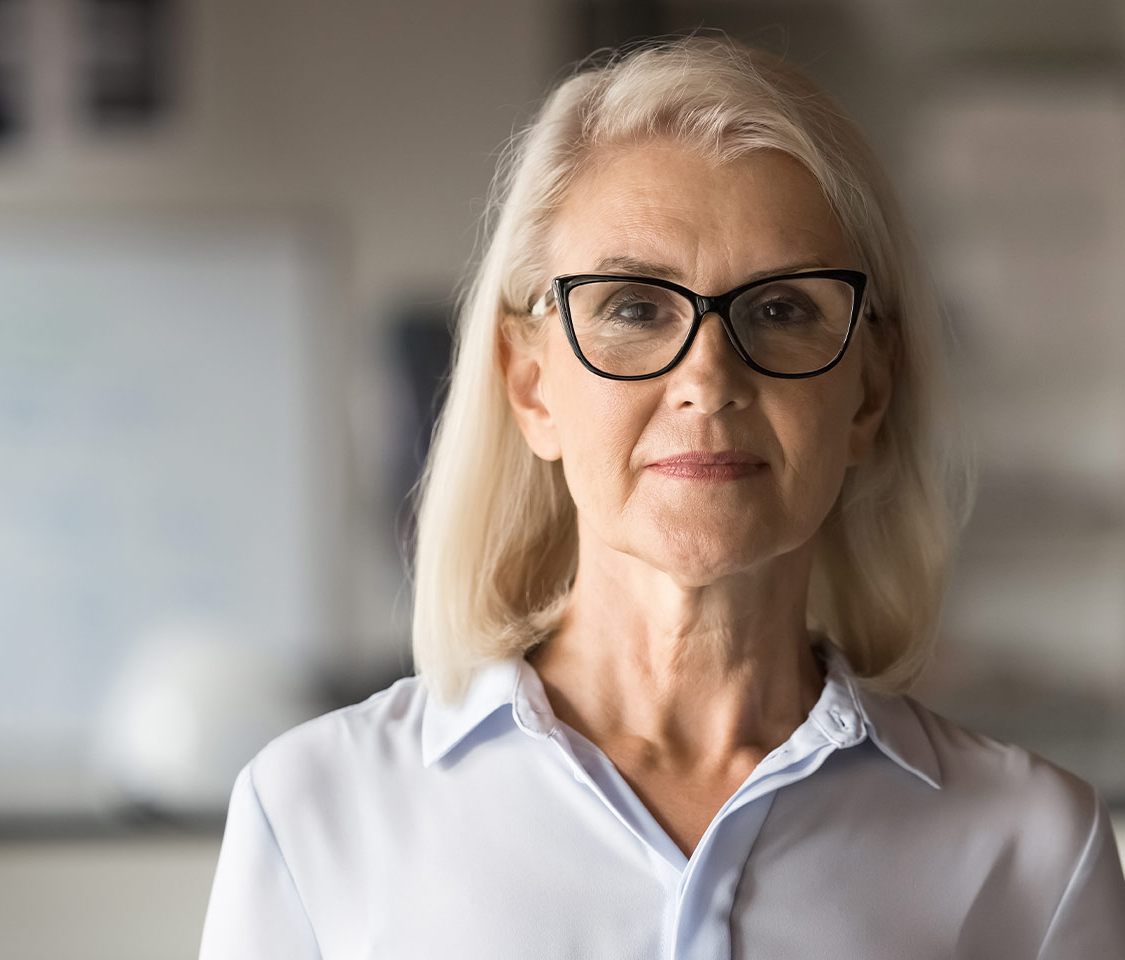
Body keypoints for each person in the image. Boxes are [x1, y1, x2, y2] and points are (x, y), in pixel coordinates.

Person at [197, 35, 1125, 958]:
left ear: (868, 395)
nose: (708, 380)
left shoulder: (1035, 849)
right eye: (636, 308)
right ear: (530, 385)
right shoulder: (315, 813)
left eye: (783, 309)